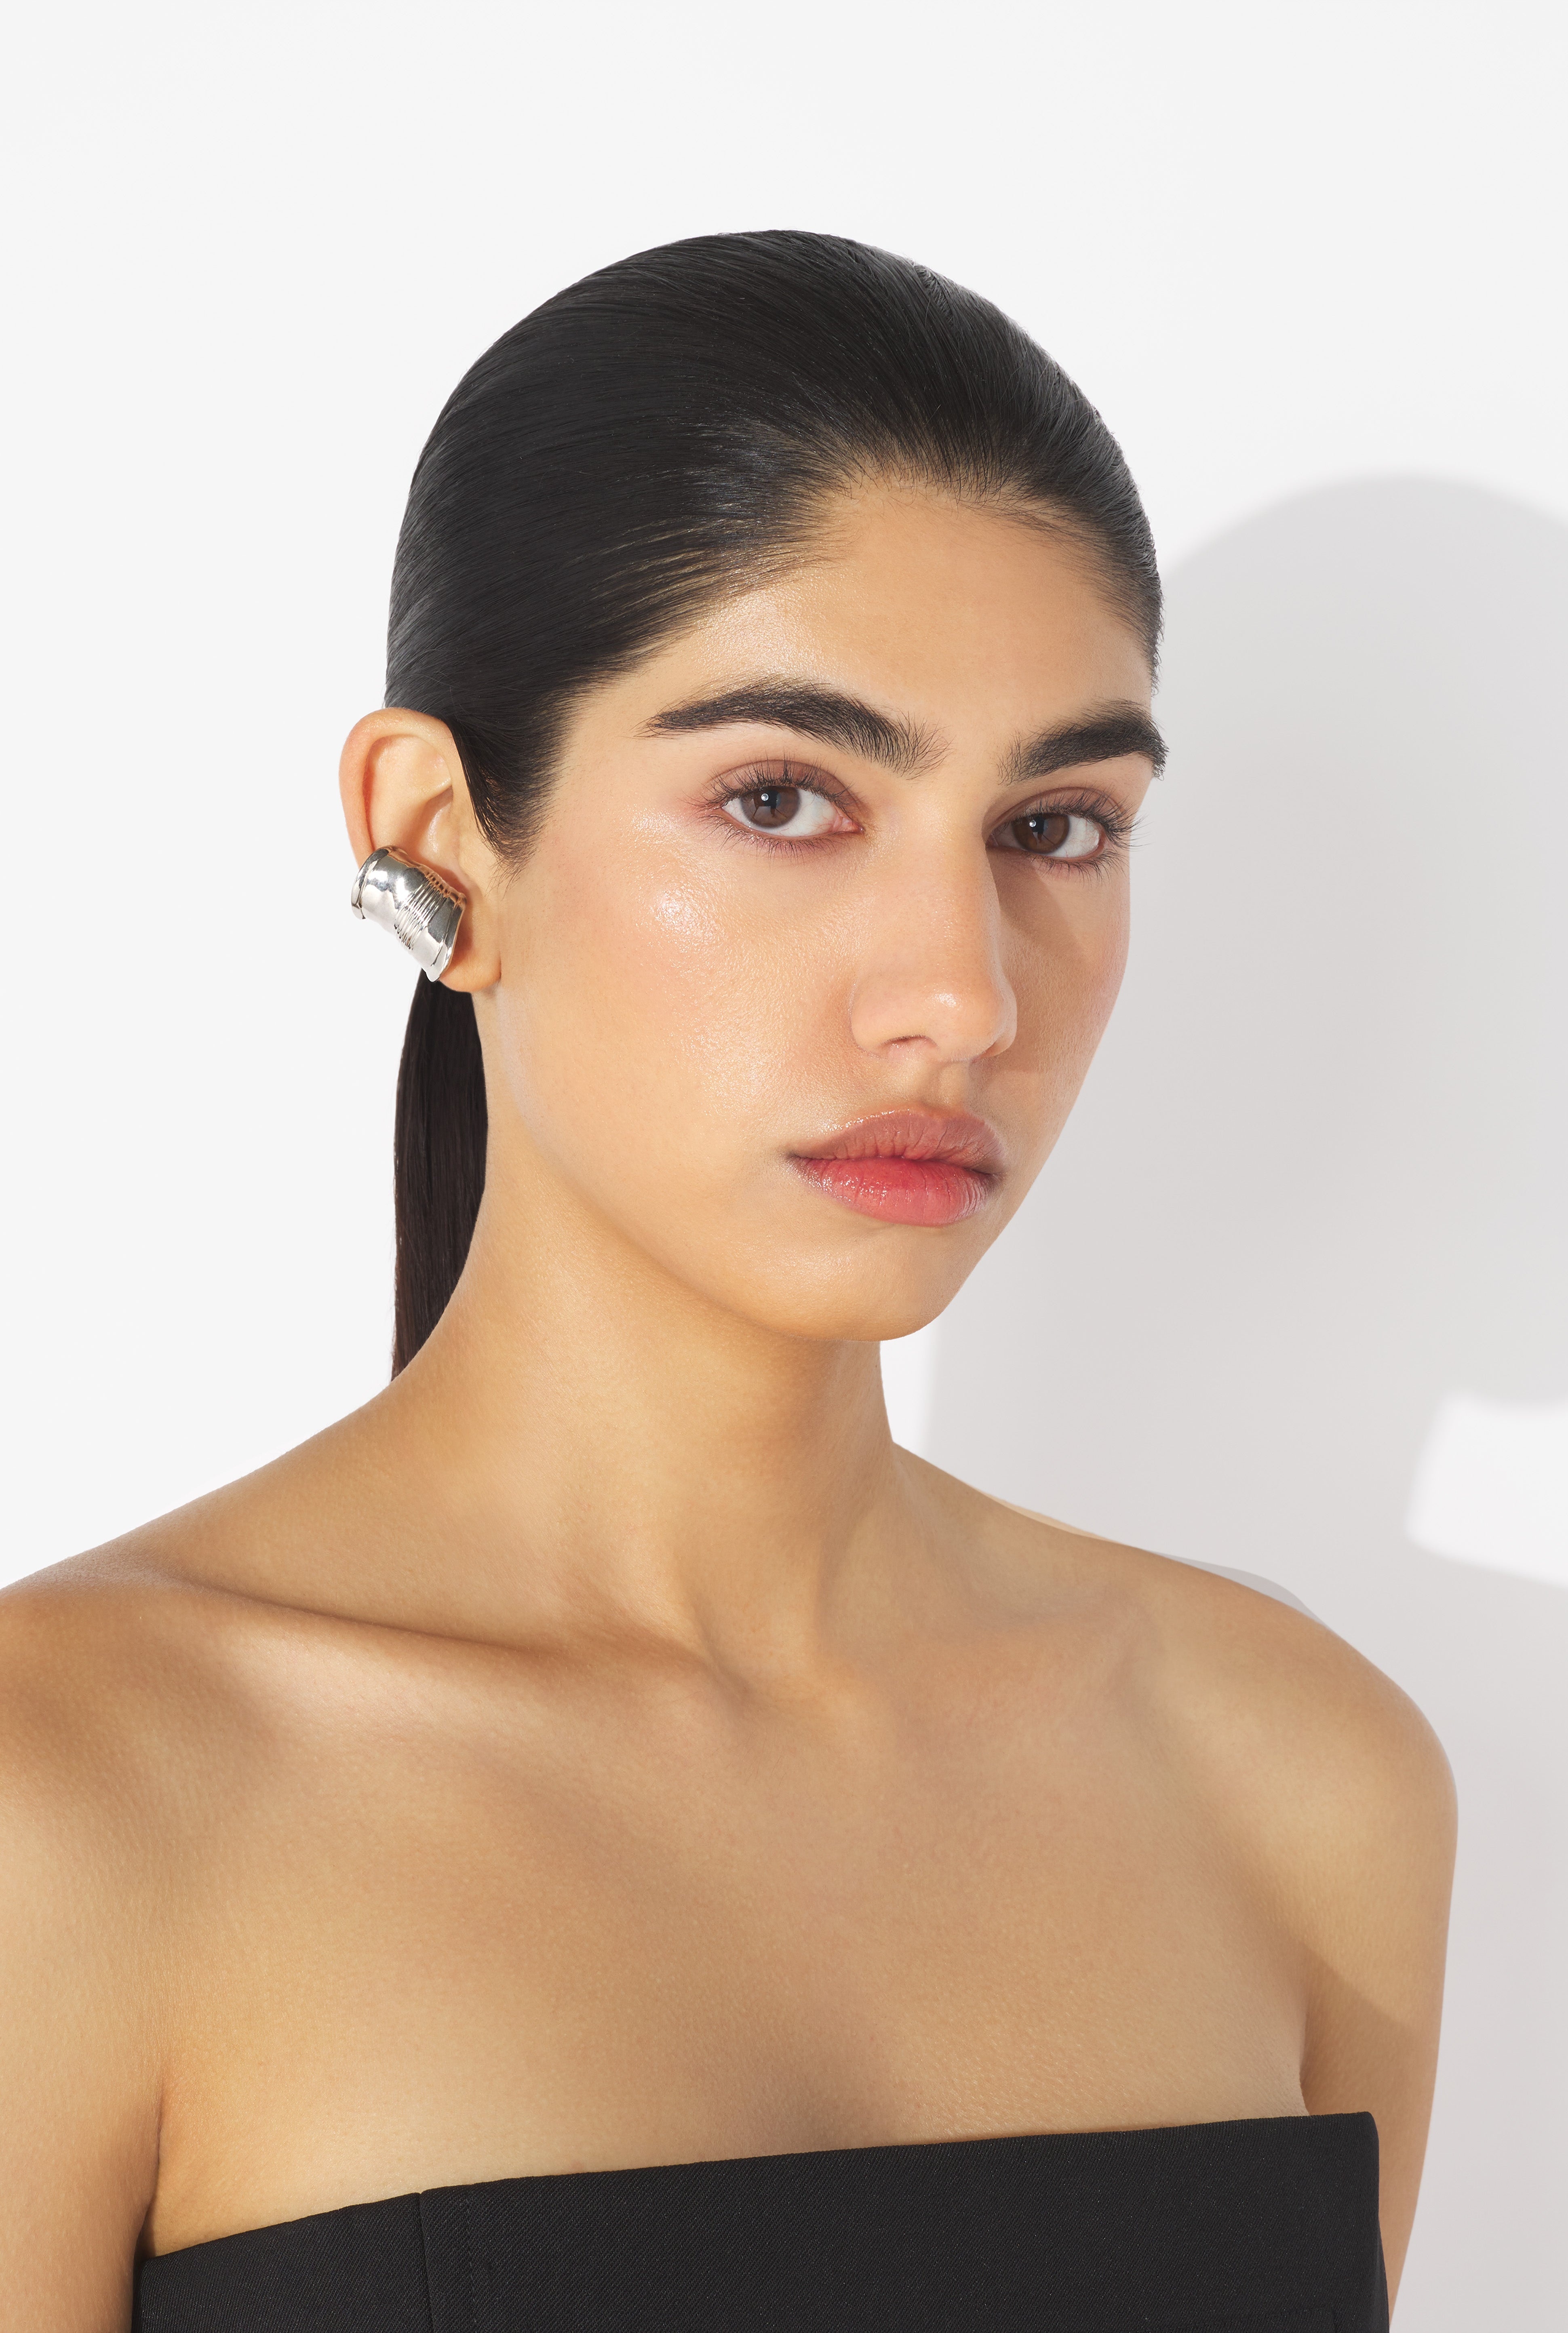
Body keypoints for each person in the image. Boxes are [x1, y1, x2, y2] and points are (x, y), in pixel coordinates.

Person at [1, 232, 1454, 2331]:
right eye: (783, 800)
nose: (960, 996)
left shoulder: (1295, 1774)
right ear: (438, 838)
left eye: (1056, 827)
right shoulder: (71, 1795)